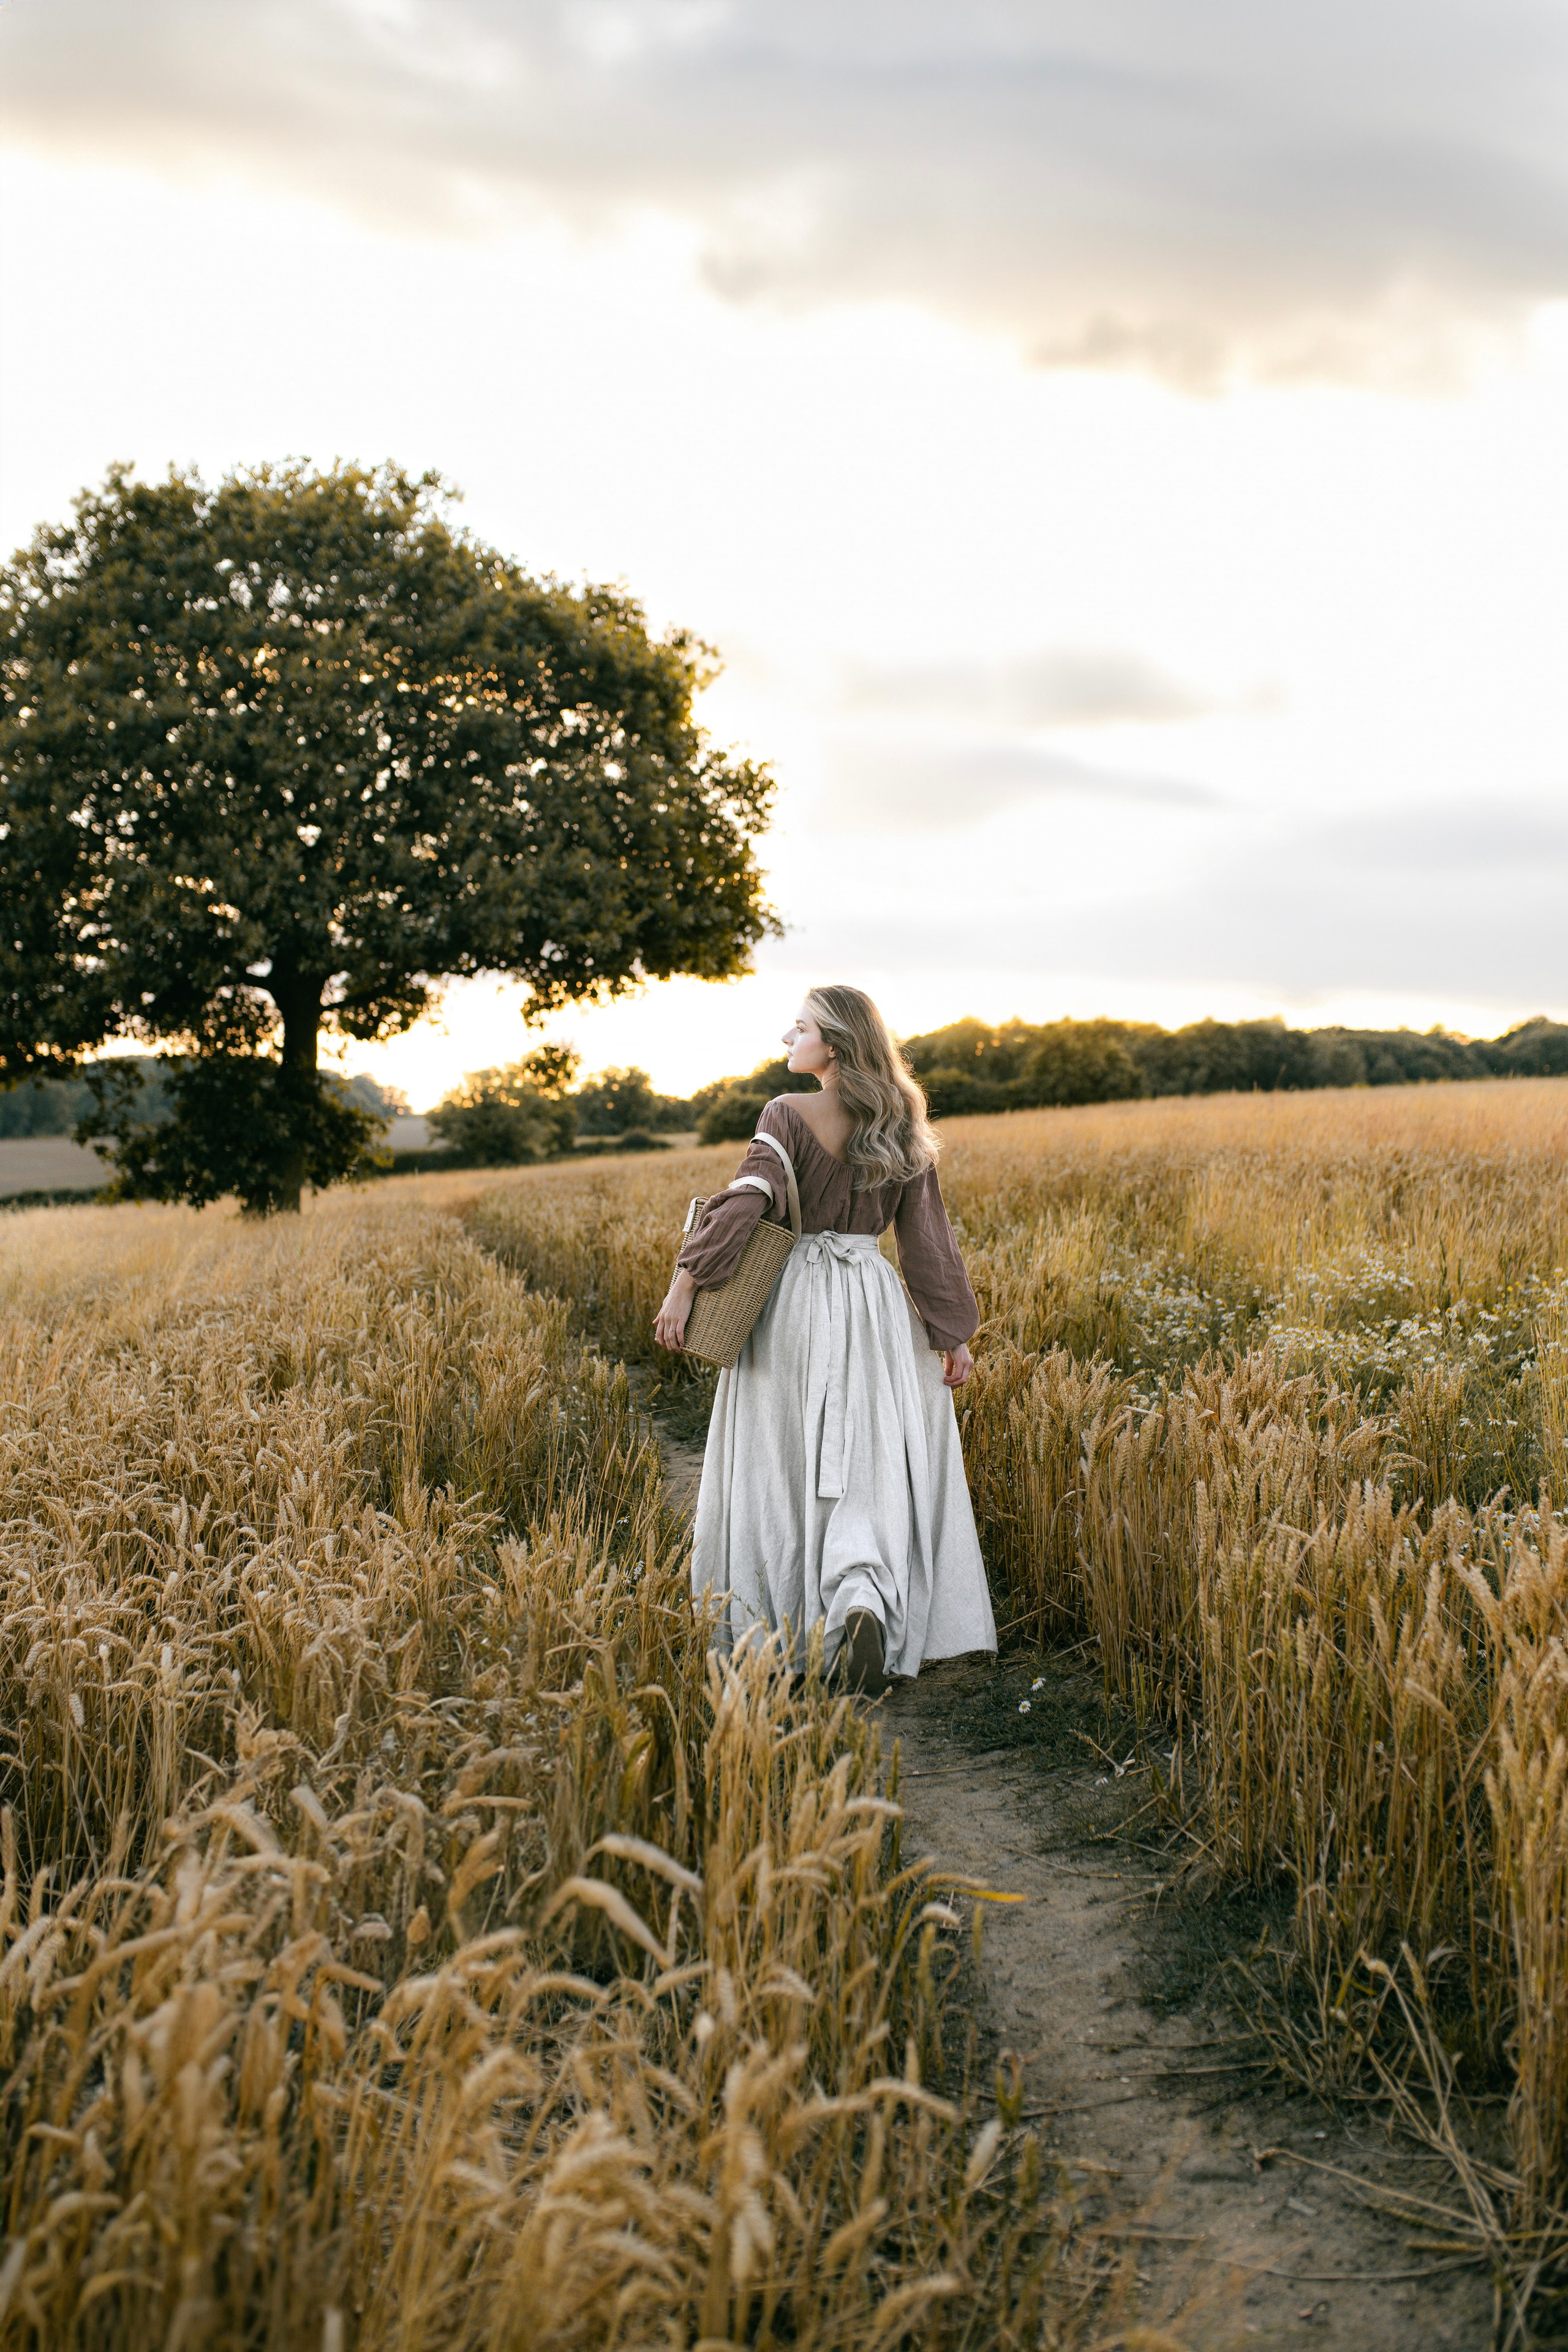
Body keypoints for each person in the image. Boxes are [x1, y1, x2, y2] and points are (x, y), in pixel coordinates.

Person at [654, 984, 998, 1692]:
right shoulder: (901, 1118)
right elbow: (927, 1238)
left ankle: (794, 1620)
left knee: (787, 1460)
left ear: (833, 1045)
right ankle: (862, 1594)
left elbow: (745, 1204)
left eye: (801, 1026)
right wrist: (951, 1333)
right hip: (873, 1300)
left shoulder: (786, 1114)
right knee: (868, 1460)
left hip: (796, 1303)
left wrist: (685, 1282)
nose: (788, 1036)